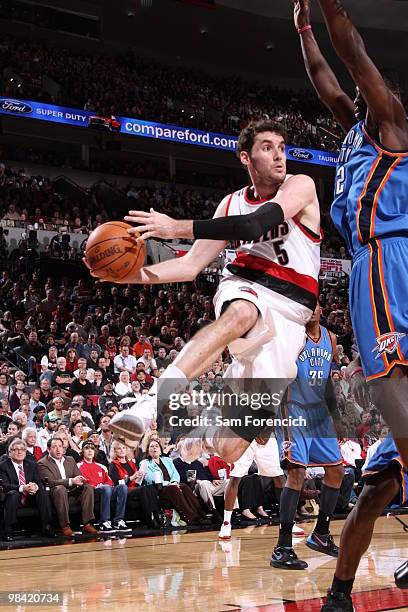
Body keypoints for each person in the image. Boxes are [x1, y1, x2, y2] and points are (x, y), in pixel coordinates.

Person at [89, 118, 322, 463]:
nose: (279, 156)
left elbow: (254, 224)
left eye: (282, 148)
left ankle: (202, 437)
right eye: (267, 148)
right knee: (243, 310)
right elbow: (189, 266)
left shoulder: (300, 185)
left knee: (230, 450)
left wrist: (175, 228)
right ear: (245, 158)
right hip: (247, 284)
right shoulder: (230, 204)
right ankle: (149, 405)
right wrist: (128, 277)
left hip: (292, 308)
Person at [293, 1, 408, 608]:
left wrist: (329, 8)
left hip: (392, 260)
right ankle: (339, 593)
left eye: (368, 88)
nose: (359, 92)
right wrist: (304, 27)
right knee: (371, 493)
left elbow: (353, 55)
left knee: (394, 384)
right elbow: (326, 76)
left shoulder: (392, 123)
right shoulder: (353, 129)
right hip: (376, 264)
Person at [272, 304, 344, 569]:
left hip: (319, 414)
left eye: (313, 305)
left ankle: (321, 534)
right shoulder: (291, 337)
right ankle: (282, 547)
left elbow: (325, 378)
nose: (310, 311)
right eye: (305, 306)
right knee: (296, 474)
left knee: (336, 471)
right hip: (293, 409)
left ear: (321, 309)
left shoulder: (331, 338)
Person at [217, 437, 287, 540]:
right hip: (243, 437)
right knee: (235, 478)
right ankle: (226, 523)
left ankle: (288, 522)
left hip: (266, 438)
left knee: (279, 477)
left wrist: (267, 432)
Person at [37, 437, 98, 538]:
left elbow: (77, 475)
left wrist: (80, 479)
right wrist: (71, 481)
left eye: (60, 446)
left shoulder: (70, 459)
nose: (58, 449)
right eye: (54, 447)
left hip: (71, 494)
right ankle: (65, 526)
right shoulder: (42, 463)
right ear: (48, 449)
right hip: (56, 496)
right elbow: (51, 482)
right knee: (60, 488)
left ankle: (87, 524)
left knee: (87, 487)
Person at [140, 439, 209, 526]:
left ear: (160, 450)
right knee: (173, 488)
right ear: (148, 450)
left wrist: (175, 482)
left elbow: (175, 474)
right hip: (159, 489)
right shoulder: (145, 463)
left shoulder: (167, 460)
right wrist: (169, 484)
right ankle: (191, 518)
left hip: (172, 485)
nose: (154, 448)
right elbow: (149, 478)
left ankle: (202, 515)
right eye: (152, 446)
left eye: (156, 446)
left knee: (184, 486)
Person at [0, 438, 54, 540]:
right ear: (10, 452)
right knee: (13, 494)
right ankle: (8, 530)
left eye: (22, 449)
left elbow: (38, 481)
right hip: (13, 499)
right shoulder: (3, 466)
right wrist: (22, 488)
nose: (19, 452)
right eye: (16, 449)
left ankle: (47, 526)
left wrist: (35, 487)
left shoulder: (32, 465)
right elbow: (5, 485)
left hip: (29, 497)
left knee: (42, 492)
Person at [78, 441, 131, 534]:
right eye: (87, 448)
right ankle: (104, 522)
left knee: (122, 487)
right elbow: (81, 482)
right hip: (92, 493)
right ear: (82, 451)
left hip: (105, 490)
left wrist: (105, 486)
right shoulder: (78, 466)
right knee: (105, 488)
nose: (90, 451)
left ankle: (118, 520)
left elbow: (109, 481)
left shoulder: (101, 466)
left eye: (92, 448)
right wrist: (97, 486)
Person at [108, 439, 162, 528]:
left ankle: (157, 515)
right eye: (119, 449)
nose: (122, 450)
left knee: (150, 487)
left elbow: (137, 480)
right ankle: (150, 519)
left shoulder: (131, 463)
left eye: (124, 448)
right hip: (125, 490)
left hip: (136, 487)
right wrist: (131, 478)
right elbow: (117, 483)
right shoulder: (113, 465)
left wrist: (140, 476)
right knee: (143, 490)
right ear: (114, 451)